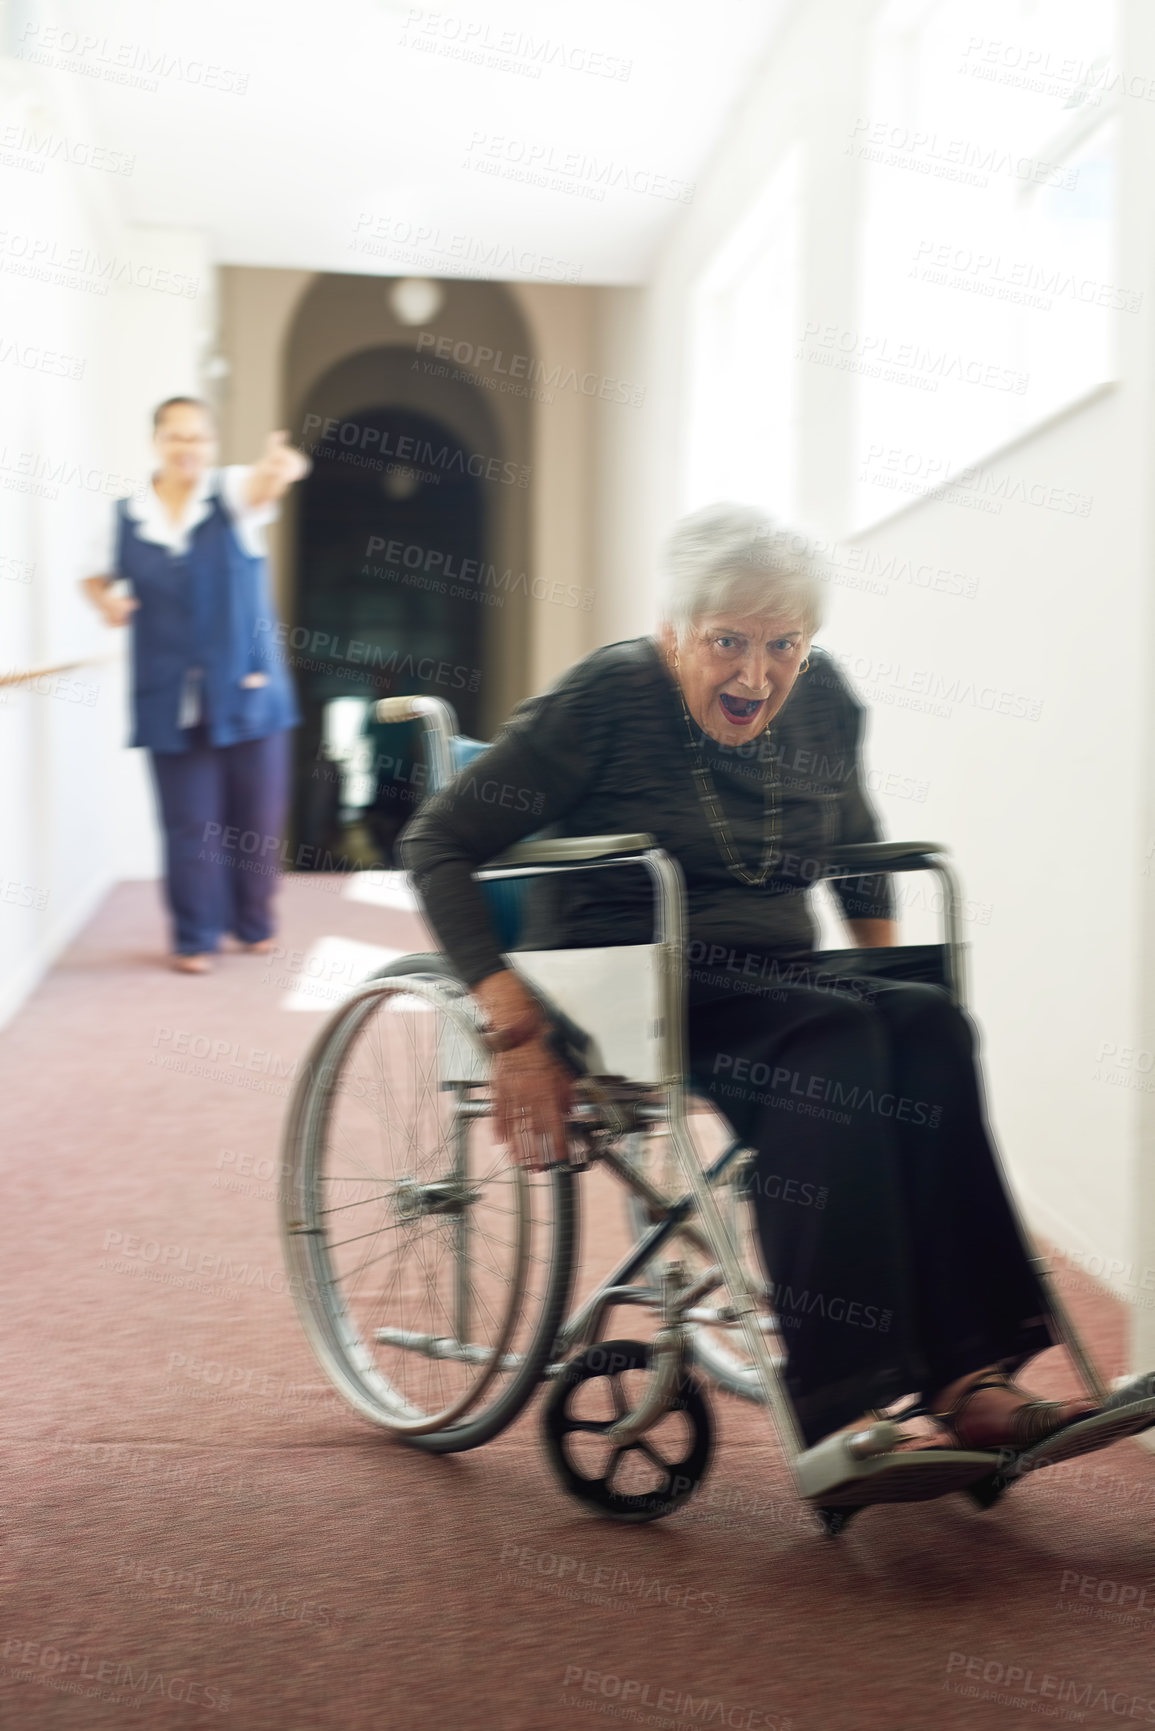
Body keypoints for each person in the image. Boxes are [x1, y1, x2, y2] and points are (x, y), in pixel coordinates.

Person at [400, 501, 1101, 1462]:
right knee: (832, 1039)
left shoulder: (824, 702)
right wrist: (513, 1027)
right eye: (725, 640)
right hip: (633, 983)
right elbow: (437, 840)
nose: (754, 673)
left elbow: (855, 850)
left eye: (782, 644)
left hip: (775, 976)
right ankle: (844, 1407)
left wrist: (876, 972)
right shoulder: (603, 700)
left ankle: (969, 1376)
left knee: (927, 1024)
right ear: (671, 632)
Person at [82, 398, 308, 974]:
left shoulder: (229, 494)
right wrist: (107, 602)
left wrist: (279, 468)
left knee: (255, 817)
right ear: (156, 441)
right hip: (168, 695)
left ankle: (253, 922)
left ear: (211, 443)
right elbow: (92, 575)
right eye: (176, 437)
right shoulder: (126, 515)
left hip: (250, 689)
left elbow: (263, 486)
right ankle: (194, 937)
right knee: (188, 823)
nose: (188, 448)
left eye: (198, 438)